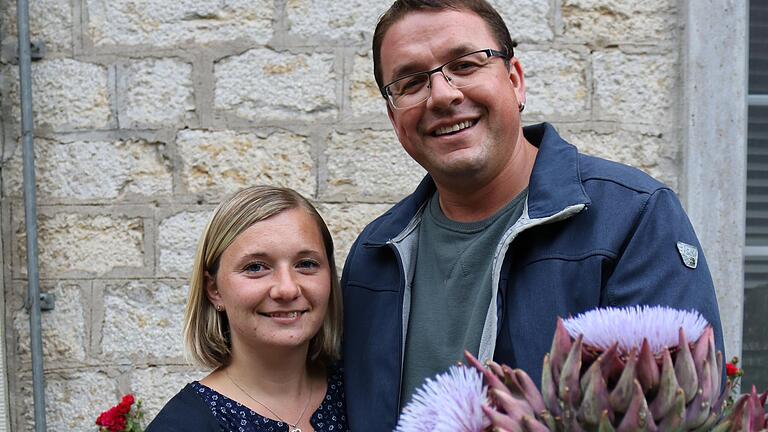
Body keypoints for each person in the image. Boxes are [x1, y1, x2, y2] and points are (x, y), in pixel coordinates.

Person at [340, 0, 725, 430]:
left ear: (515, 81)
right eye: (411, 83)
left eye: (465, 65)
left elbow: (678, 413)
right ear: (395, 118)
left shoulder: (632, 220)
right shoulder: (373, 257)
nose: (445, 95)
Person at [146, 185, 348, 432]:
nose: (287, 289)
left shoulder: (364, 395)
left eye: (306, 263)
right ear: (214, 290)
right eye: (255, 267)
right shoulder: (183, 425)